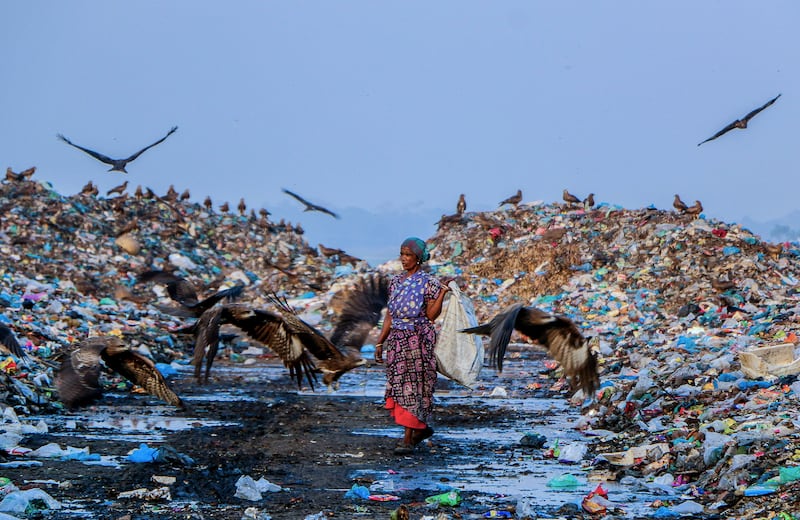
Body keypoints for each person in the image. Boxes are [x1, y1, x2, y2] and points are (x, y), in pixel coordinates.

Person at [374, 237, 450, 455]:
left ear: (418, 258)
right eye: (402, 254)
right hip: (397, 340)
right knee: (399, 385)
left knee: (414, 387)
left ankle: (408, 438)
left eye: (408, 255)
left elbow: (431, 315)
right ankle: (419, 430)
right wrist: (381, 341)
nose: (404, 259)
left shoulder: (430, 283)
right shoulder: (395, 282)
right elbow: (390, 314)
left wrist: (442, 294)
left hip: (418, 340)